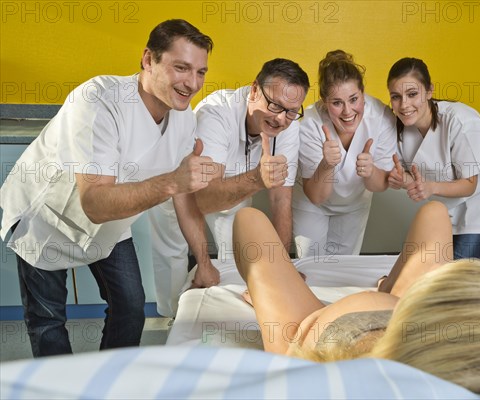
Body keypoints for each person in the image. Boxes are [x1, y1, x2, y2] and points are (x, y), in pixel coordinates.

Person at [0, 19, 216, 357]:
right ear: (148, 59)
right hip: (47, 216)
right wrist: (174, 180)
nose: (192, 83)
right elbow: (95, 203)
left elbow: (184, 195)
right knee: (48, 322)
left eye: (200, 72)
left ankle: (111, 378)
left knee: (130, 308)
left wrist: (203, 261)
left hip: (113, 221)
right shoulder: (98, 100)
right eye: (181, 67)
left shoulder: (184, 118)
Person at [232, 203, 480, 394]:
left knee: (250, 221)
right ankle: (387, 286)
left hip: (308, 329)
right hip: (419, 317)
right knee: (435, 212)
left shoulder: (332, 377)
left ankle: (382, 289)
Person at [148, 58, 309, 316]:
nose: (281, 119)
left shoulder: (289, 126)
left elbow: (281, 200)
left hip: (236, 185)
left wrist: (282, 268)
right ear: (255, 89)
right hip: (182, 188)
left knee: (236, 262)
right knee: (174, 258)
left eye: (291, 111)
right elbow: (202, 201)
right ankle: (172, 318)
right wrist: (257, 178)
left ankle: (231, 318)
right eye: (275, 105)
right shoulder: (216, 113)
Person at [386, 57, 480, 260]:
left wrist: (430, 188)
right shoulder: (400, 127)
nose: (404, 105)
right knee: (426, 265)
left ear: (429, 91)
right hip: (448, 206)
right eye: (396, 97)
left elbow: (470, 184)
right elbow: (418, 179)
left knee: (453, 270)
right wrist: (403, 180)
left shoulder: (460, 120)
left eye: (412, 94)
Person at [293, 50, 396, 258]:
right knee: (311, 266)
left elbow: (380, 185)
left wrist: (371, 171)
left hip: (355, 204)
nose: (348, 111)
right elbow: (316, 196)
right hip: (312, 204)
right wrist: (326, 165)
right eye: (337, 103)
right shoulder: (310, 124)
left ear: (363, 93)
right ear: (324, 101)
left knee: (344, 269)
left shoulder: (382, 118)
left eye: (354, 99)